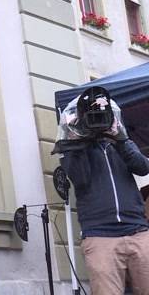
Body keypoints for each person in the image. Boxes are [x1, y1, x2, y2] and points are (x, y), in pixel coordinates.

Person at [56, 88, 149, 295]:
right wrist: (76, 141)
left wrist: (120, 139)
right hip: (100, 235)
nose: (97, 121)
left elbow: (142, 167)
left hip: (138, 232)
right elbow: (80, 178)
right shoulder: (73, 149)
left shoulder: (121, 143)